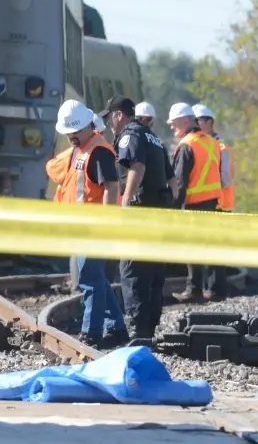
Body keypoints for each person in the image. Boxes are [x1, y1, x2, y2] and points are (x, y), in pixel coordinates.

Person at [97, 96, 175, 342]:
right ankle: (148, 329)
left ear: (119, 115)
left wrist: (127, 202)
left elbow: (137, 167)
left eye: (110, 116)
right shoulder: (154, 138)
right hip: (158, 214)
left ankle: (137, 331)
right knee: (153, 272)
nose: (109, 122)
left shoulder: (130, 135)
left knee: (132, 270)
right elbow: (172, 181)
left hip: (139, 213)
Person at [54, 100, 128, 348]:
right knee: (96, 279)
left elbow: (111, 187)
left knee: (90, 280)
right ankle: (116, 328)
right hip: (81, 227)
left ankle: (91, 332)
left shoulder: (98, 151)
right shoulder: (82, 149)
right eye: (68, 132)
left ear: (88, 126)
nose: (71, 136)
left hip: (94, 228)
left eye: (75, 131)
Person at [167, 103, 225, 302]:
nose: (171, 127)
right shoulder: (211, 141)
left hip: (194, 203)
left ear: (185, 121)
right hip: (211, 202)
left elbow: (180, 183)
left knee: (192, 247)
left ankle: (194, 290)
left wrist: (174, 210)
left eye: (173, 124)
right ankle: (210, 289)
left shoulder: (187, 145)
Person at [193, 104, 233, 213]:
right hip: (206, 205)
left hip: (220, 207)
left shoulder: (221, 148)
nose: (194, 125)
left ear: (209, 122)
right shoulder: (196, 146)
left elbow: (224, 179)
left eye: (198, 121)